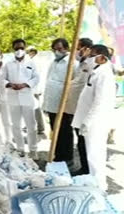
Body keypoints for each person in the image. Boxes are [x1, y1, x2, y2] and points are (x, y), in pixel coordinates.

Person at [72, 45, 116, 191]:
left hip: (96, 123)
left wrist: (87, 122)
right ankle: (95, 186)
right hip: (92, 121)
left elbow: (100, 102)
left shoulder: (104, 75)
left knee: (95, 157)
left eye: (92, 56)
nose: (88, 59)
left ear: (102, 58)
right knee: (92, 156)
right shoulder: (96, 72)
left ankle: (100, 188)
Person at [2, 39, 39, 159]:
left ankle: (33, 150)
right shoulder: (8, 64)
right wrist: (9, 84)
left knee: (31, 125)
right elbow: (2, 79)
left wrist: (25, 84)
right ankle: (20, 148)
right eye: (17, 48)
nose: (19, 51)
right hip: (13, 97)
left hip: (27, 96)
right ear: (13, 49)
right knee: (15, 125)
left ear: (25, 48)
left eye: (21, 48)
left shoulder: (31, 63)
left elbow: (36, 77)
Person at [43, 38, 77, 166]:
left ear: (66, 48)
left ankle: (67, 157)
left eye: (60, 49)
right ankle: (58, 155)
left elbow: (74, 84)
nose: (57, 51)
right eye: (55, 49)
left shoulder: (72, 63)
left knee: (65, 132)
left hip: (64, 104)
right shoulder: (54, 62)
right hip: (52, 103)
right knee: (55, 130)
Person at [64, 38, 93, 175]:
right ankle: (84, 168)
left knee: (85, 141)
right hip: (75, 109)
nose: (75, 51)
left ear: (85, 48)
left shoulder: (91, 65)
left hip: (84, 110)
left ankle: (87, 169)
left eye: (77, 47)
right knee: (80, 141)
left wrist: (68, 86)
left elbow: (80, 85)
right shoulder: (81, 63)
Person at [26, 46, 46, 138]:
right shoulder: (34, 61)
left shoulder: (34, 62)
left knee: (36, 109)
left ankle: (40, 127)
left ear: (32, 52)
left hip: (34, 89)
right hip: (34, 88)